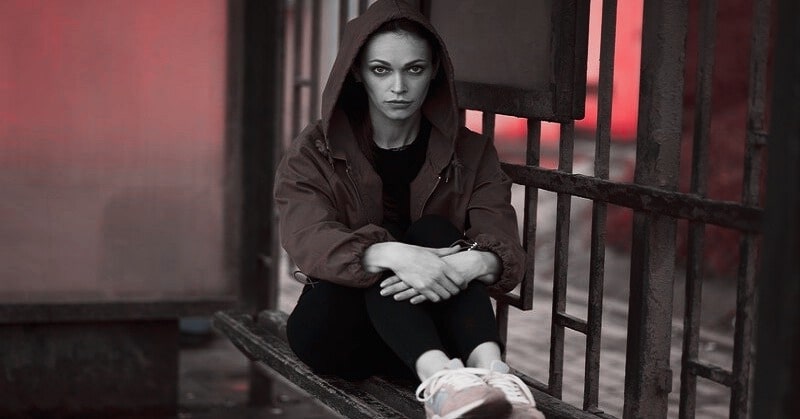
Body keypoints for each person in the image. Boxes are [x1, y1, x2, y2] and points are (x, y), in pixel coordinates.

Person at [275, 1, 544, 418]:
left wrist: (464, 264)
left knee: (437, 233)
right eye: (381, 69)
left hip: (437, 333)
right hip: (339, 333)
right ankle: (448, 384)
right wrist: (394, 254)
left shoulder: (470, 152)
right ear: (359, 73)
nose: (398, 86)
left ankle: (488, 373)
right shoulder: (315, 151)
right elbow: (305, 237)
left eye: (413, 69)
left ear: (434, 70)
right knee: (397, 250)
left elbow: (503, 240)